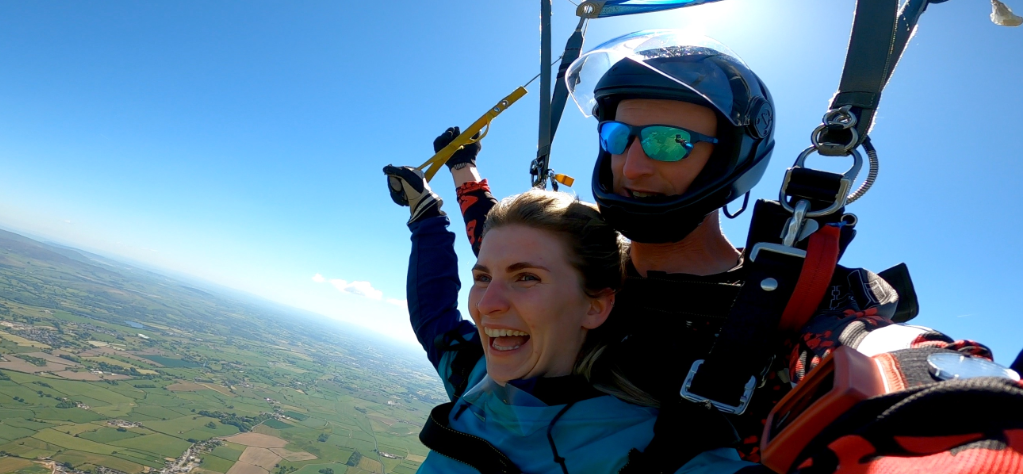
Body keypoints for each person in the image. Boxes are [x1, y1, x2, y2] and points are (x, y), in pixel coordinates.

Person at [434, 30, 1016, 473]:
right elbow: (498, 242)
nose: (632, 167)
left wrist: (963, 405)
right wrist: (462, 172)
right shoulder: (580, 259)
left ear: (729, 160)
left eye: (670, 143)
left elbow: (879, 360)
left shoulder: (784, 308)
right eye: (618, 136)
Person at [385, 164, 684, 473]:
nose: (486, 305)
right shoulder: (473, 369)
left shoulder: (653, 449)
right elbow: (432, 314)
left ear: (594, 307)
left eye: (527, 277)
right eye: (484, 277)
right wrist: (426, 215)